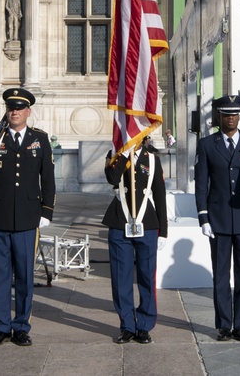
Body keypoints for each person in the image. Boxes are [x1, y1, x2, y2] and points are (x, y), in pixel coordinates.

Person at [0, 88, 55, 347]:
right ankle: (0, 327)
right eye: (11, 108)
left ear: (28, 112)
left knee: (24, 275)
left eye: (19, 109)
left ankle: (21, 326)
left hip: (27, 217)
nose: (15, 112)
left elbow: (48, 179)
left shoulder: (39, 139)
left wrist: (46, 211)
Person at [195, 94, 240, 342]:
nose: (231, 119)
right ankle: (224, 324)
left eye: (235, 115)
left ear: (239, 117)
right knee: (222, 274)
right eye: (227, 115)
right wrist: (203, 217)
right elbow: (202, 184)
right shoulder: (207, 144)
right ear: (220, 117)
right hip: (219, 218)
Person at [102, 136, 167, 344]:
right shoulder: (115, 156)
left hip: (146, 223)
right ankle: (127, 325)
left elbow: (160, 196)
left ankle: (145, 325)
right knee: (121, 277)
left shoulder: (153, 160)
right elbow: (112, 178)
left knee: (147, 276)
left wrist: (163, 231)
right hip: (120, 222)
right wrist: (123, 154)